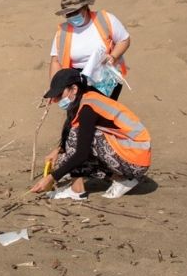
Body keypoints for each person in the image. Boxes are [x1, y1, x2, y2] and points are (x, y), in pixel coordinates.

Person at [31, 69, 150, 200]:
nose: (56, 100)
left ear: (74, 89)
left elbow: (81, 153)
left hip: (135, 158)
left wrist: (51, 178)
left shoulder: (88, 107)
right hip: (129, 155)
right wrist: (59, 150)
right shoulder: (85, 100)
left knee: (75, 138)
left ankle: (77, 190)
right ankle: (122, 180)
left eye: (59, 95)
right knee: (64, 158)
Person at [49, 0, 131, 101]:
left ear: (86, 7)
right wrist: (55, 87)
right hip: (77, 79)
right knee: (78, 113)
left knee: (103, 111)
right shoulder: (62, 31)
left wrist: (113, 56)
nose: (72, 16)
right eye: (68, 14)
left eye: (76, 12)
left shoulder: (104, 19)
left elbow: (124, 40)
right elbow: (56, 61)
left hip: (105, 74)